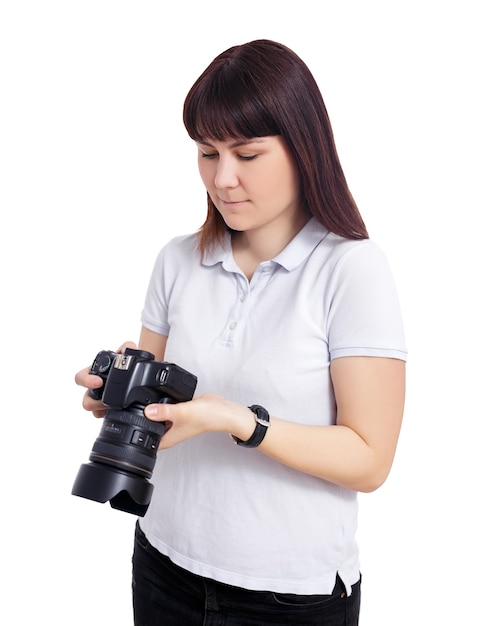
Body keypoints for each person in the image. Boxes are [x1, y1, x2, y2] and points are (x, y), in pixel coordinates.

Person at [75, 39, 406, 626]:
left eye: (247, 155)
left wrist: (238, 420)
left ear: (304, 149)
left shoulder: (351, 269)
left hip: (288, 597)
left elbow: (370, 458)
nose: (222, 178)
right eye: (207, 153)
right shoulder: (177, 260)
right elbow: (157, 411)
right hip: (163, 563)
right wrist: (118, 386)